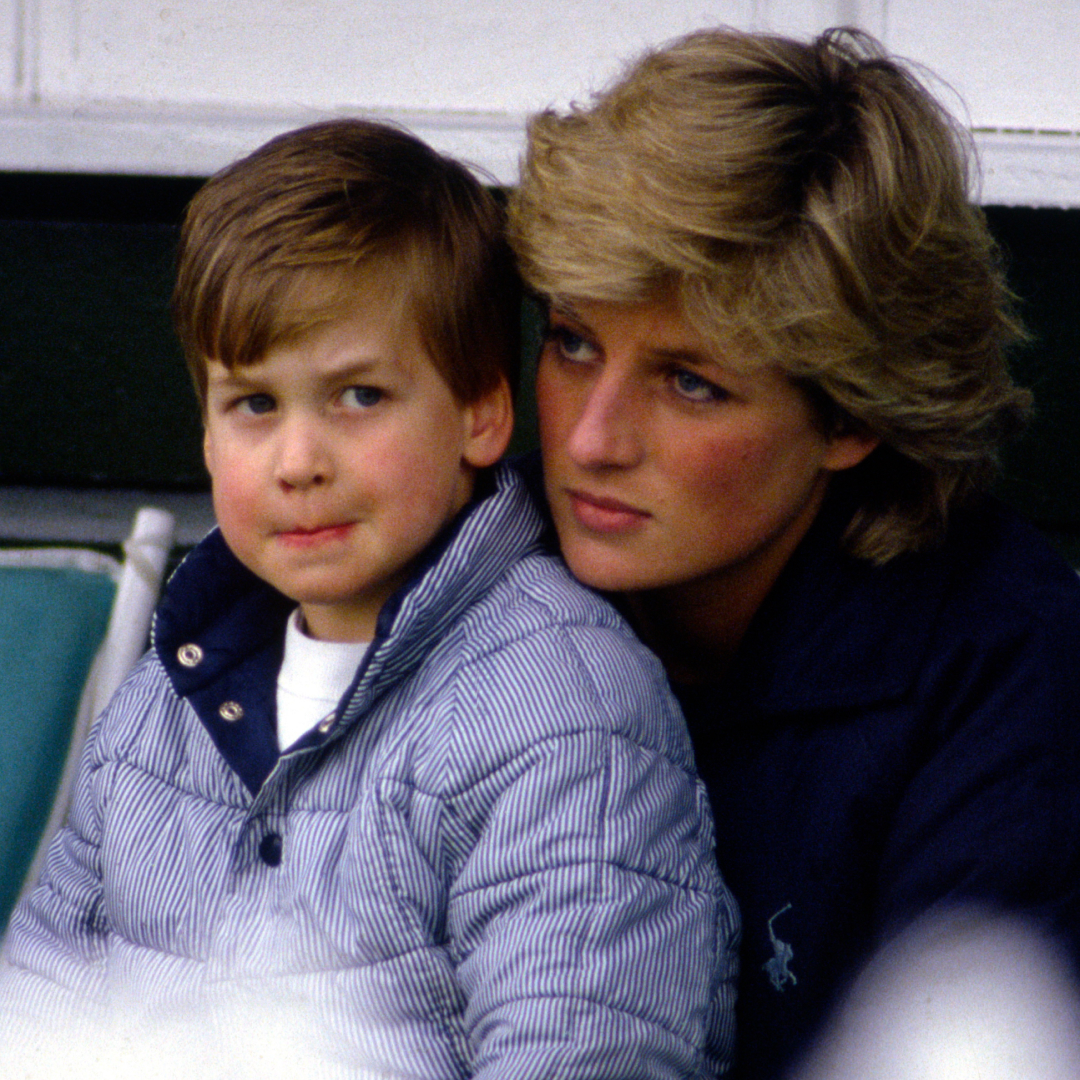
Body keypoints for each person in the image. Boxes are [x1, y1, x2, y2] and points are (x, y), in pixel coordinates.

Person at [0, 119, 738, 1078]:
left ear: (482, 412)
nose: (299, 463)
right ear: (207, 435)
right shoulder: (166, 699)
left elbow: (584, 1049)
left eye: (358, 398)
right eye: (255, 405)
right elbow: (41, 1018)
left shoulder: (562, 716)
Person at [507, 25, 1080, 1080]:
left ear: (851, 418)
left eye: (690, 383)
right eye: (574, 341)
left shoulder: (1002, 677)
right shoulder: (468, 574)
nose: (589, 440)